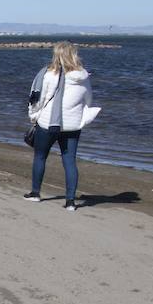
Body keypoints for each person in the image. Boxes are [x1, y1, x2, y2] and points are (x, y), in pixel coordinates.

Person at [25, 42, 97, 211]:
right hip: (72, 126)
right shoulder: (83, 76)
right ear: (74, 55)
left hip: (48, 123)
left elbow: (38, 99)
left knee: (40, 156)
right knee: (69, 160)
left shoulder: (48, 74)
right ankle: (70, 202)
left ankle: (35, 193)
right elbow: (88, 100)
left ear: (56, 55)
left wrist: (33, 116)